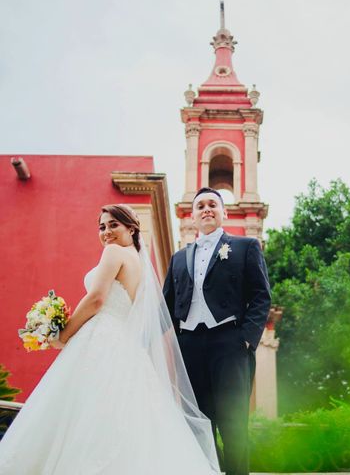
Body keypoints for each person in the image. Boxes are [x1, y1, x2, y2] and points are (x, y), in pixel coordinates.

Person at [0, 204, 220, 475]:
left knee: (81, 411)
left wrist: (64, 334)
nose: (106, 232)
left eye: (114, 225)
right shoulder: (138, 263)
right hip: (124, 345)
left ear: (131, 227)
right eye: (102, 227)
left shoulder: (114, 252)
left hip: (101, 339)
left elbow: (96, 298)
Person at [163, 187, 271, 475]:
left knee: (234, 426)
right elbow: (166, 307)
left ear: (223, 213)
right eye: (200, 206)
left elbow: (262, 296)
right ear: (193, 215)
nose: (207, 209)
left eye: (213, 204)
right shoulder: (178, 258)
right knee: (198, 426)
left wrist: (246, 340)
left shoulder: (245, 247)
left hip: (229, 345)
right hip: (189, 348)